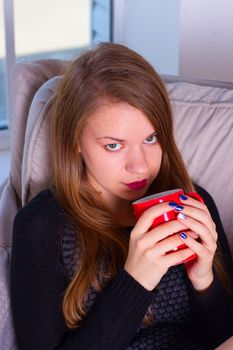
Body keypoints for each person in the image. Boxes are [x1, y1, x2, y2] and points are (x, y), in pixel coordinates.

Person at [11, 42, 233, 350]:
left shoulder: (193, 203)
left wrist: (204, 280)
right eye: (114, 145)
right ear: (76, 140)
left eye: (151, 138)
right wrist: (136, 281)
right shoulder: (41, 226)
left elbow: (223, 336)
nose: (140, 166)